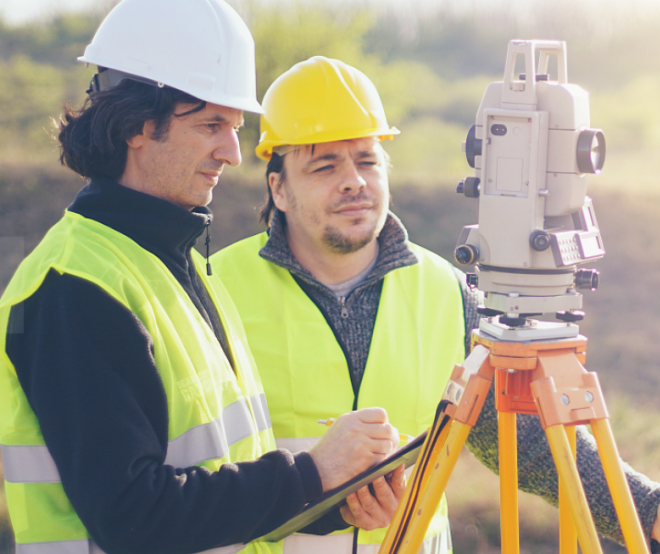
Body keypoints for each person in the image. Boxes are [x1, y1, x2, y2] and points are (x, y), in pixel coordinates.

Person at [213, 56, 660, 554]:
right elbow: (186, 468)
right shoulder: (216, 289)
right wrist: (314, 489)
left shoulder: (448, 291)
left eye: (367, 160)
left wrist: (648, 510)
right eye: (324, 165)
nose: (354, 181)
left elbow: (524, 443)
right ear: (278, 188)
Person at [0, 4, 391, 554]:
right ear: (135, 124)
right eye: (211, 125)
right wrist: (308, 475)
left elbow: (213, 479)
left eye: (233, 127)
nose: (232, 153)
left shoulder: (178, 265)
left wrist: (328, 503)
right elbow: (135, 518)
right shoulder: (73, 287)